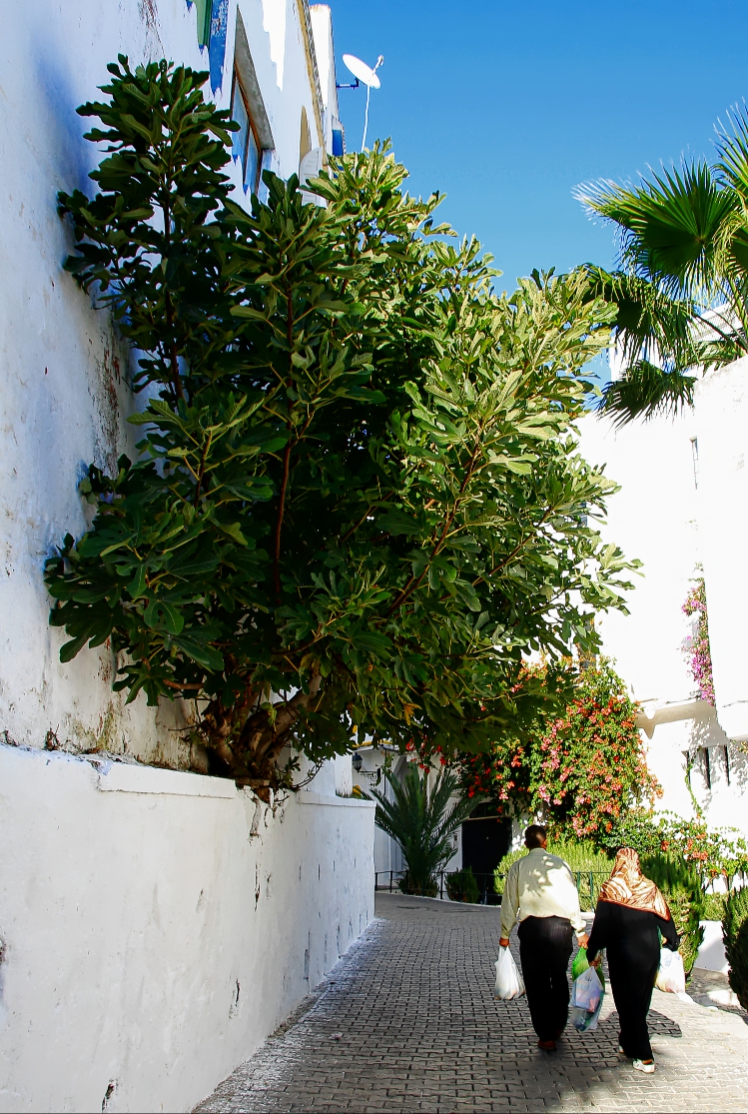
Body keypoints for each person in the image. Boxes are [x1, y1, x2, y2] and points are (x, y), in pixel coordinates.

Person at [586, 847, 680, 1075]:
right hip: (648, 954)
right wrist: (672, 942)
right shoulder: (649, 888)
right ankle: (627, 1041)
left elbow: (601, 927)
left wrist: (592, 951)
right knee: (639, 1001)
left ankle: (644, 1056)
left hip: (622, 955)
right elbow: (666, 920)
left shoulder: (610, 889)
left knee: (627, 1002)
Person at [499, 824, 588, 1052]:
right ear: (546, 842)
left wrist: (505, 933)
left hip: (532, 930)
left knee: (536, 982)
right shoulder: (561, 865)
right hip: (560, 928)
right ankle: (558, 1025)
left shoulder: (518, 867)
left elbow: (510, 903)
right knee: (558, 977)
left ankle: (545, 1035)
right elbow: (572, 899)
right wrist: (580, 931)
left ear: (526, 844)